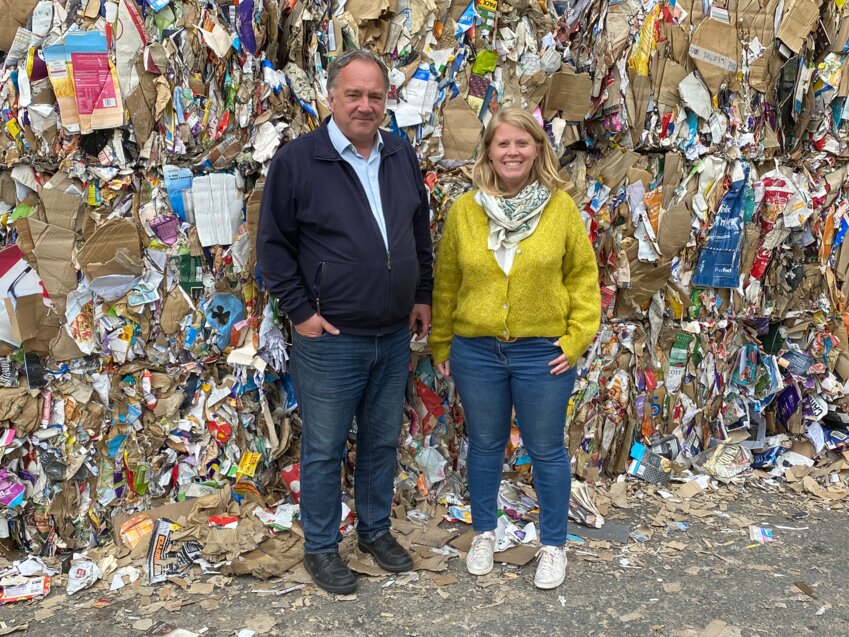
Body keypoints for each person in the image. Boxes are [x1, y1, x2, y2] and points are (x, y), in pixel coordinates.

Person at [257, 49, 433, 594]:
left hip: (393, 334)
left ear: (387, 101)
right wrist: (302, 314)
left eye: (374, 96)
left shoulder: (400, 155)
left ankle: (376, 533)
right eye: (353, 94)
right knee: (325, 446)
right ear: (330, 97)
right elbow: (272, 249)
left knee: (381, 441)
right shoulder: (298, 161)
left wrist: (421, 294)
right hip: (331, 339)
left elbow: (417, 233)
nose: (364, 105)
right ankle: (321, 547)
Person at [430, 107, 600, 590]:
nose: (512, 152)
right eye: (502, 143)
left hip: (541, 352)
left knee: (546, 449)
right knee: (484, 444)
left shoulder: (559, 208)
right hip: (477, 350)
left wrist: (576, 338)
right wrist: (442, 342)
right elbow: (447, 283)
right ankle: (484, 532)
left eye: (522, 144)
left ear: (537, 150)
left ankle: (553, 545)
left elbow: (584, 279)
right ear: (488, 150)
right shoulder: (465, 210)